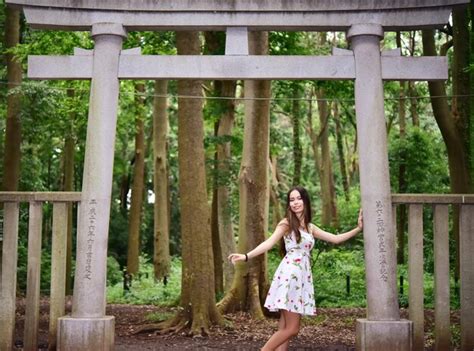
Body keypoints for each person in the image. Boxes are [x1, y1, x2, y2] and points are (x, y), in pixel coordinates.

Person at [228, 186, 363, 351]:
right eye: (292, 200)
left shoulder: (310, 227)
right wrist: (246, 256)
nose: (295, 203)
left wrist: (359, 228)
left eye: (298, 198)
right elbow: (268, 243)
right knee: (292, 329)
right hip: (290, 275)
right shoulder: (286, 223)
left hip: (301, 277)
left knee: (284, 328)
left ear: (305, 200)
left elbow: (335, 239)